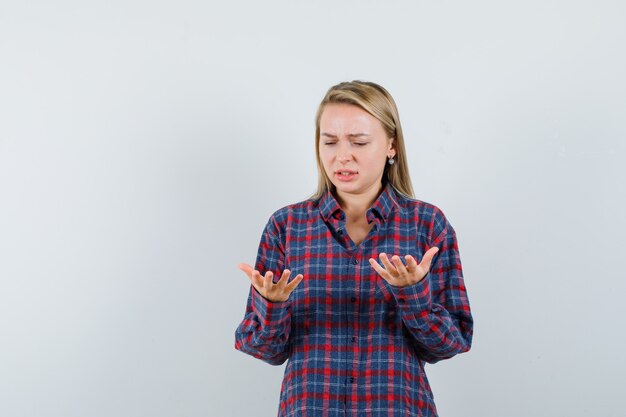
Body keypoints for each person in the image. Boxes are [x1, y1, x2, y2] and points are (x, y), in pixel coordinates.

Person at [234, 80, 473, 417]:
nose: (342, 156)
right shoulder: (287, 226)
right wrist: (271, 306)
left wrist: (413, 294)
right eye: (329, 141)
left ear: (392, 146)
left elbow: (451, 344)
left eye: (359, 141)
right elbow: (267, 351)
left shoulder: (426, 224)